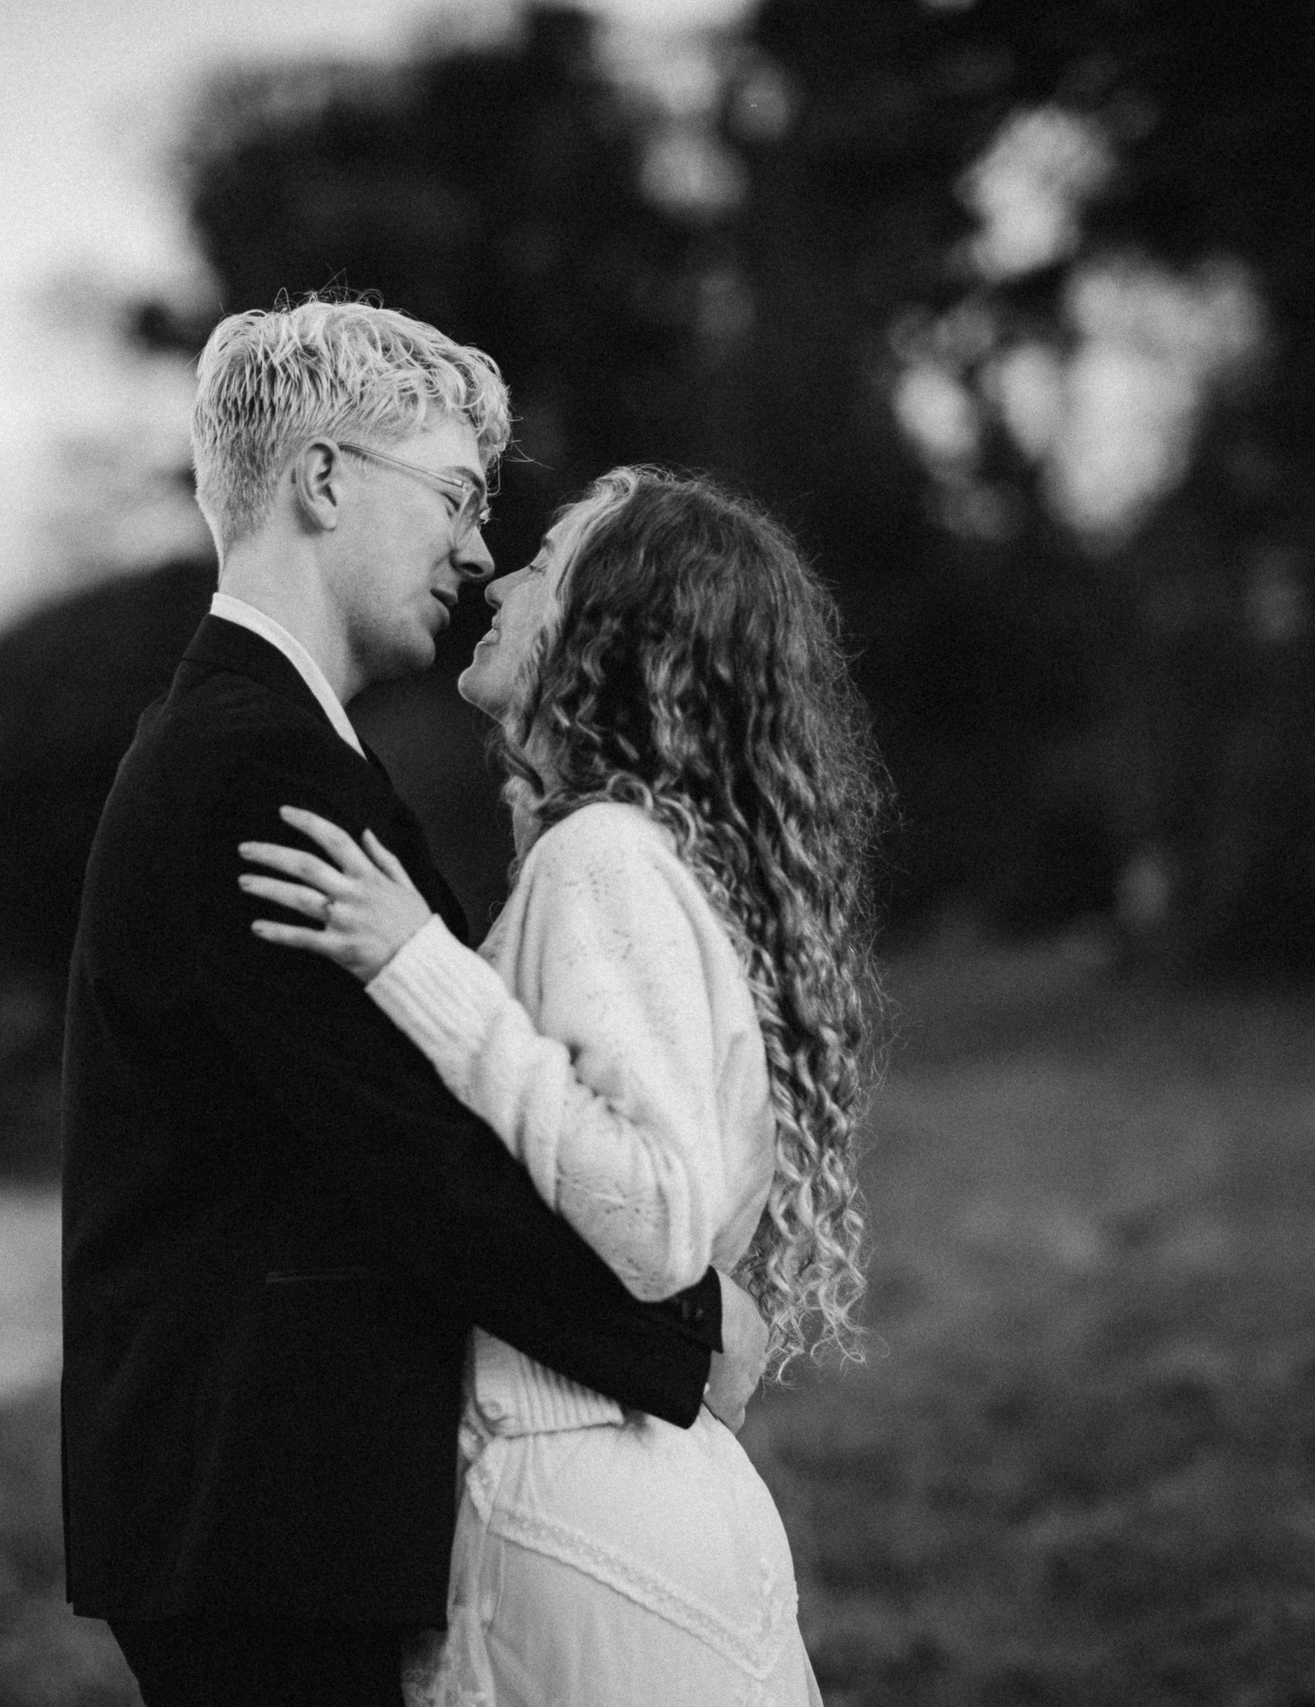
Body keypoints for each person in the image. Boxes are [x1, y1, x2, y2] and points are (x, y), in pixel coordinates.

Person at [58, 301, 768, 1707]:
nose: (479, 549)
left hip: (263, 1508)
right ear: (324, 480)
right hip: (259, 1518)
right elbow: (414, 1155)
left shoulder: (263, 742)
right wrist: (682, 1332)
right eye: (452, 495)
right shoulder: (254, 764)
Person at [241, 465, 889, 1705]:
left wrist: (419, 966)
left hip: (584, 1502)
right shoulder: (636, 856)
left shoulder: (603, 860)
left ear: (608, 632)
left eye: (544, 566)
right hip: (628, 1482)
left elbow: (654, 1221)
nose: (498, 579)